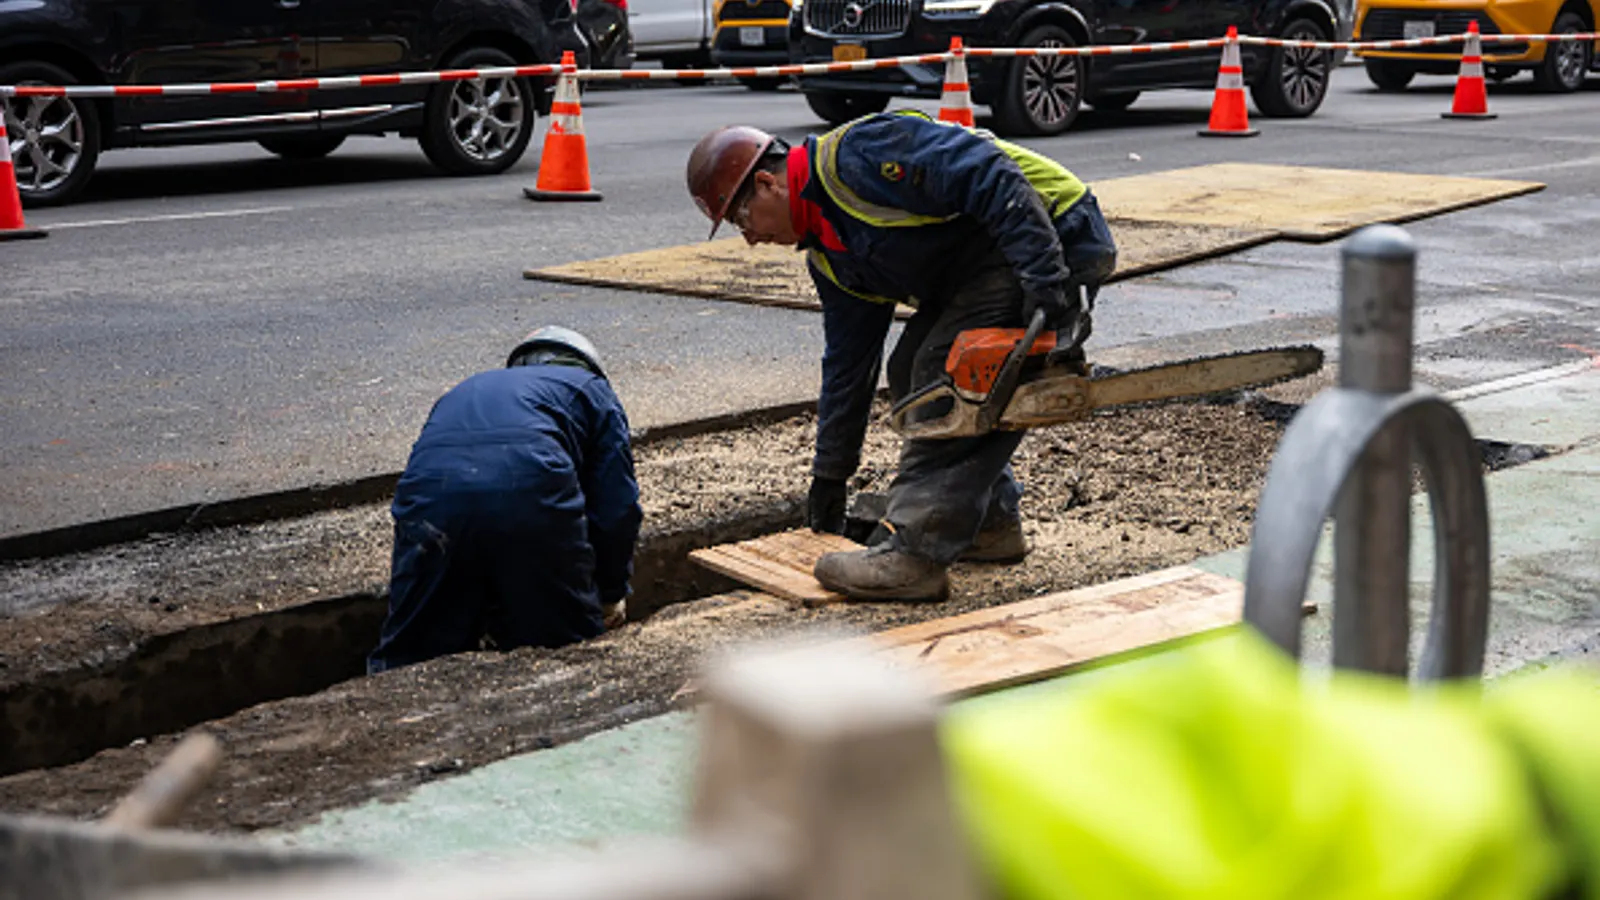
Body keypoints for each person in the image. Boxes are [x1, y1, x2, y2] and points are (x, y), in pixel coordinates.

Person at [686, 111, 1117, 601]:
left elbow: (989, 172)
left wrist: (1044, 280)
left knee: (943, 373)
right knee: (908, 369)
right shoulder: (831, 257)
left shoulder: (860, 156)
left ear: (767, 184)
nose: (749, 238)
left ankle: (916, 554)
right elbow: (849, 366)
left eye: (741, 219)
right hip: (991, 261)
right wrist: (830, 475)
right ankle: (991, 524)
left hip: (1055, 232)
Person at [367, 326, 642, 673]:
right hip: (530, 487)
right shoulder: (592, 390)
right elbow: (616, 508)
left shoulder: (466, 389)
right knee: (565, 654)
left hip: (431, 502)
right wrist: (609, 593)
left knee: (414, 656)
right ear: (585, 365)